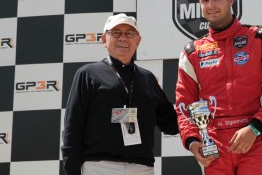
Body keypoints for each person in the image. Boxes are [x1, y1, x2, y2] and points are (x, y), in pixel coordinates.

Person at [175, 0, 262, 175]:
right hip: (213, 144)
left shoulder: (261, 38)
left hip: (254, 139)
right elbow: (184, 104)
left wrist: (255, 128)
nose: (211, 5)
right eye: (205, 0)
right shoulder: (192, 51)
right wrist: (193, 141)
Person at [61, 13, 179, 175]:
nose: (123, 38)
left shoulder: (148, 78)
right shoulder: (87, 74)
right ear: (104, 39)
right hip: (99, 167)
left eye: (129, 33)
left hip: (142, 168)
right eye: (116, 33)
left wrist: (197, 108)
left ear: (137, 41)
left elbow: (171, 124)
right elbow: (72, 129)